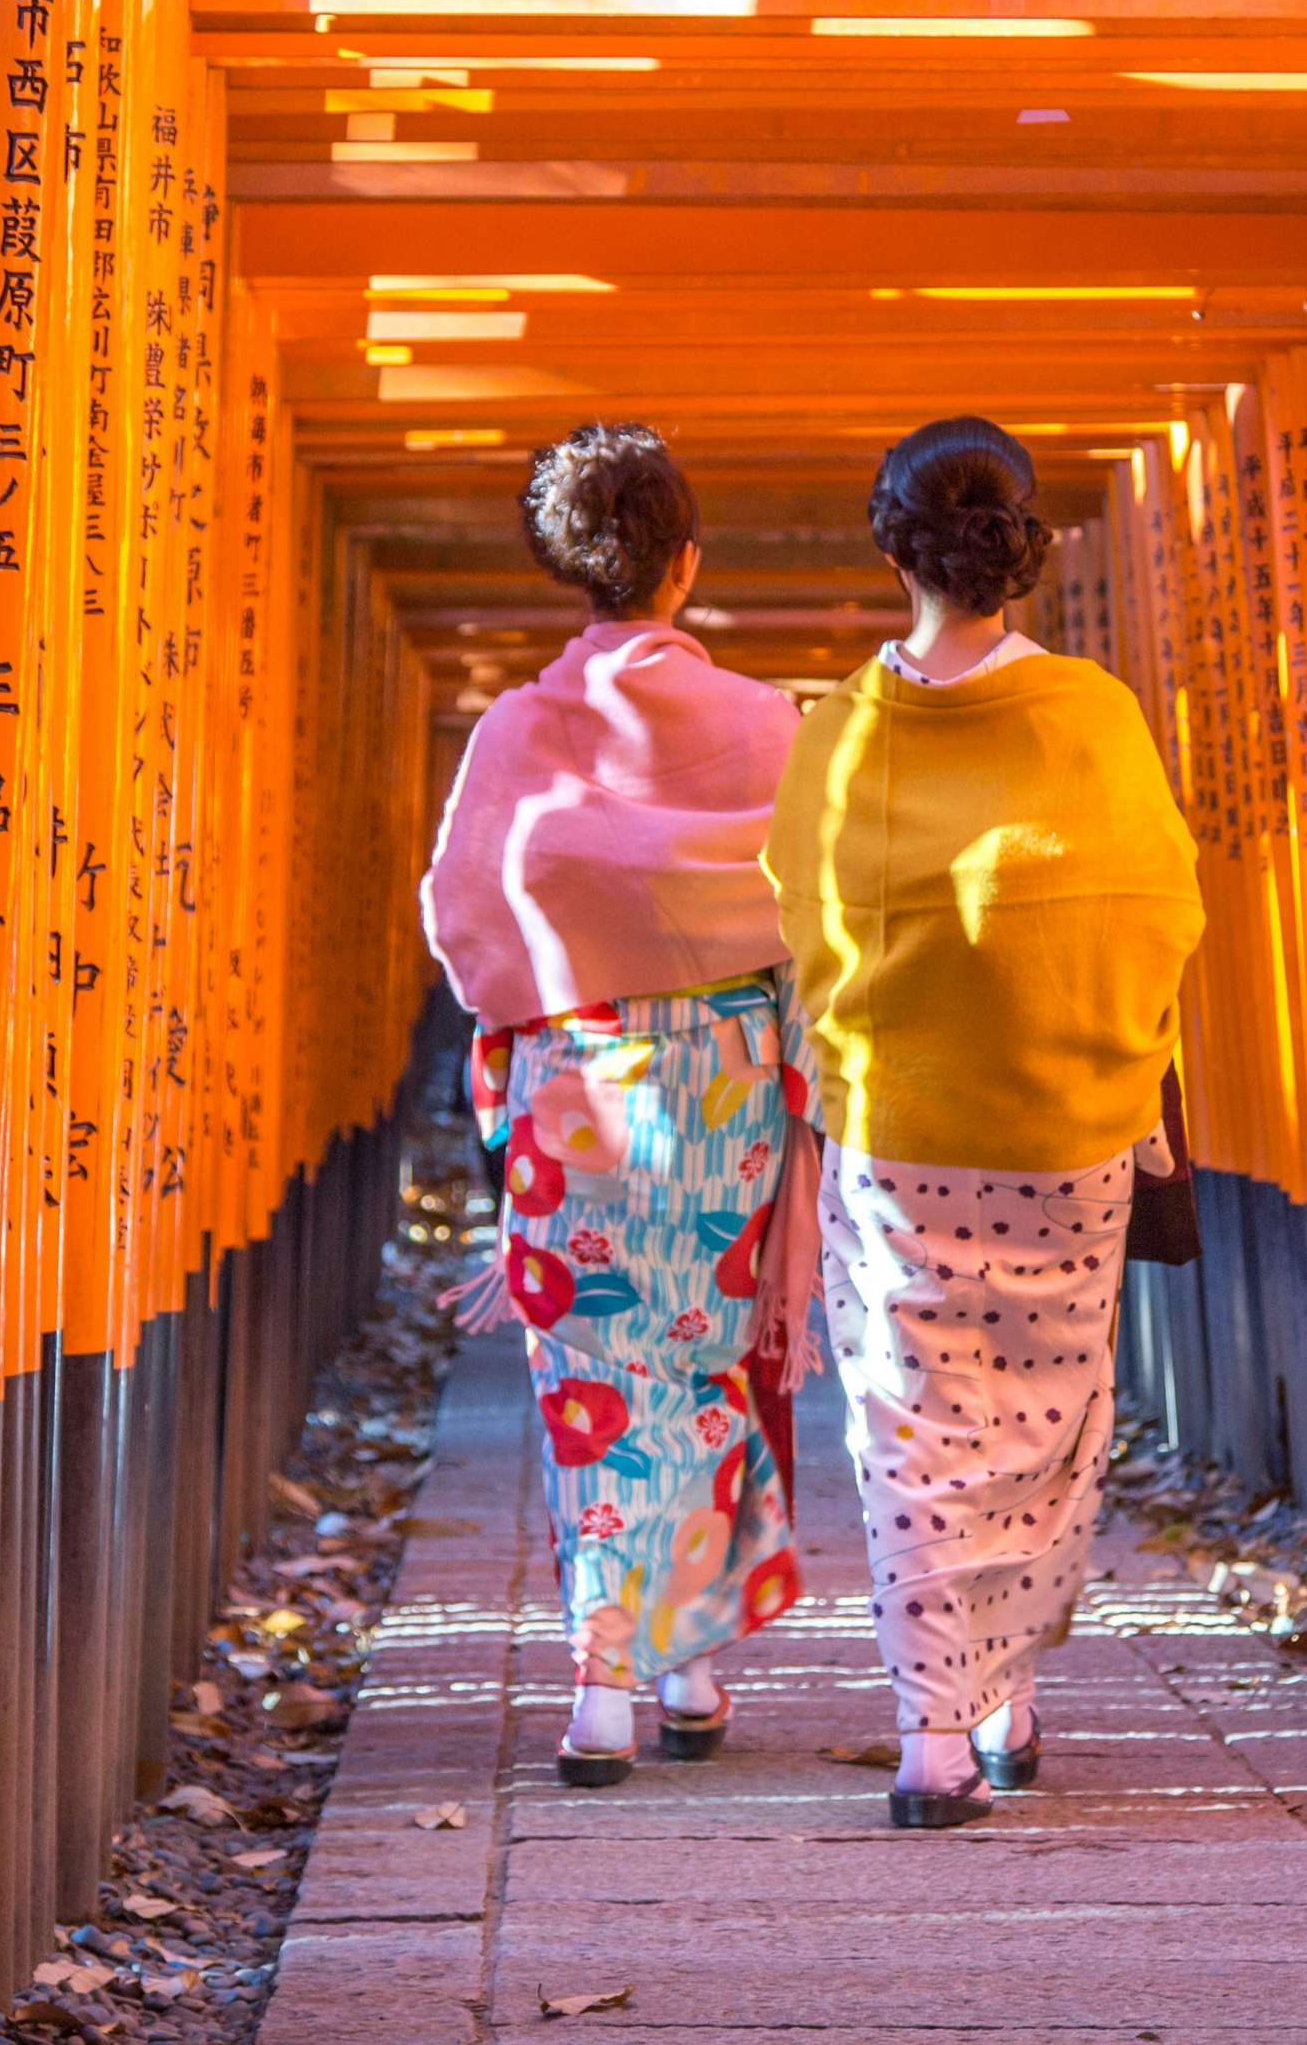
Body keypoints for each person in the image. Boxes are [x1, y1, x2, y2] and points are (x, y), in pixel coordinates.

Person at [763, 416, 1206, 1827]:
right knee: (1045, 1426)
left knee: (913, 1431)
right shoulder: (1093, 716)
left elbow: (802, 923)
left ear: (891, 544)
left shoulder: (839, 730)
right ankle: (1004, 1698)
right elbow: (1157, 911)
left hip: (898, 1134)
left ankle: (932, 1735)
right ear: (1024, 547)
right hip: (1068, 1130)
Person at [420, 423, 817, 1786]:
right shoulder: (771, 725)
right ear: (686, 565)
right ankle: (687, 1665)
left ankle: (604, 1686)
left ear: (564, 567)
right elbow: (819, 914)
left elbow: (466, 920)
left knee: (591, 1377)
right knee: (700, 1360)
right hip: (723, 1085)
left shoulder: (519, 732)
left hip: (572, 1082)